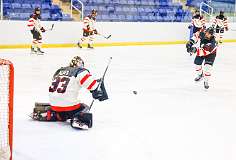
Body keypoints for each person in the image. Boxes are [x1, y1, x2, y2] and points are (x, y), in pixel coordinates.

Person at [31, 56, 108, 129]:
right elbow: (93, 86)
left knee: (60, 106)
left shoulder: (59, 71)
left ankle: (53, 114)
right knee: (84, 107)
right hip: (69, 108)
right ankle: (78, 119)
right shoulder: (80, 71)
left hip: (54, 105)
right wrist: (98, 89)